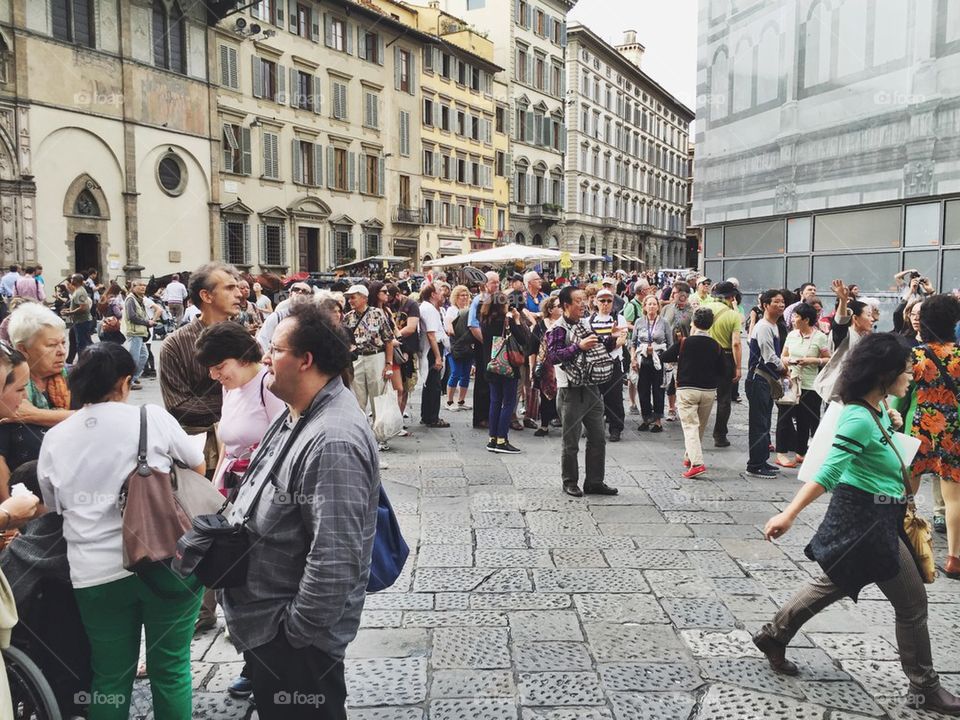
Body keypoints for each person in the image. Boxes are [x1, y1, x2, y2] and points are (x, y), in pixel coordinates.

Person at [755, 333, 960, 716]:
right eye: (904, 369)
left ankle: (774, 634)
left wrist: (891, 423)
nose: (911, 375)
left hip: (880, 514)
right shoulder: (857, 418)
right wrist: (789, 514)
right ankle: (925, 689)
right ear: (883, 375)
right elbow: (830, 471)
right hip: (867, 520)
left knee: (833, 581)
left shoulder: (877, 409)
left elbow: (876, 454)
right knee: (912, 604)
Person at [220, 302, 379, 720]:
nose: (264, 357)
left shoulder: (333, 440)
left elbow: (336, 557)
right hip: (270, 629)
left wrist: (293, 635)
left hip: (295, 645)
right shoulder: (297, 412)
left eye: (274, 348)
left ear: (305, 361)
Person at [38, 342, 206, 720]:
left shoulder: (56, 439)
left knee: (110, 676)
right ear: (126, 382)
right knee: (171, 668)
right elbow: (196, 467)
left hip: (94, 575)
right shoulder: (151, 418)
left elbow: (54, 507)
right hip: (166, 561)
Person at [159, 261, 243, 633]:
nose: (239, 291)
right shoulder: (177, 344)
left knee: (244, 524)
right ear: (206, 297)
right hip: (200, 450)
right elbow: (177, 404)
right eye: (229, 287)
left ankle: (239, 609)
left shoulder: (244, 338)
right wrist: (231, 408)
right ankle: (202, 610)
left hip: (242, 447)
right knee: (201, 526)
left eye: (238, 286)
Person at [899, 294, 960, 575]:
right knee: (954, 499)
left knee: (906, 491)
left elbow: (901, 394)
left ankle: (896, 542)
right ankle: (953, 558)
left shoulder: (916, 355)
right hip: (953, 431)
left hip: (920, 427)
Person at [546, 287, 617, 497]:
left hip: (592, 387)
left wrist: (611, 340)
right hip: (570, 390)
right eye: (578, 301)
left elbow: (597, 346)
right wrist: (578, 347)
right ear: (566, 305)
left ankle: (595, 481)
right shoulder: (557, 329)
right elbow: (553, 357)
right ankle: (570, 481)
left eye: (584, 300)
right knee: (571, 442)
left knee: (598, 438)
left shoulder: (585, 324)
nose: (583, 304)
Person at [3, 304, 73, 498]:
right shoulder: (8, 387)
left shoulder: (74, 377)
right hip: (22, 496)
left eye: (63, 343)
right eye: (51, 345)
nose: (61, 351)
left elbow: (99, 417)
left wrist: (35, 415)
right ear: (23, 349)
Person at [660, 307, 723, 478]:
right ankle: (690, 455)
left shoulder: (684, 343)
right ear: (711, 324)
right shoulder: (716, 345)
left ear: (693, 322)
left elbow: (665, 357)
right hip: (708, 390)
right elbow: (724, 370)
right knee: (699, 426)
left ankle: (697, 463)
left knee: (690, 426)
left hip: (687, 389)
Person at [775, 302, 830, 468]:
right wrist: (790, 360)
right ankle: (781, 453)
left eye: (796, 316)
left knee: (805, 420)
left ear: (806, 320)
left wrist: (812, 360)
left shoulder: (820, 337)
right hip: (790, 382)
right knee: (784, 418)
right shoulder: (791, 335)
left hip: (810, 384)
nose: (793, 319)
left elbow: (829, 359)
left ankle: (801, 452)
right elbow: (782, 356)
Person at [343, 284, 395, 445]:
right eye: (349, 297)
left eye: (353, 296)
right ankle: (360, 436)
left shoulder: (377, 313)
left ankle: (380, 437)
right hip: (357, 359)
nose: (350, 300)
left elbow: (388, 340)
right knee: (357, 399)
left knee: (377, 397)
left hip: (375, 357)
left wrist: (388, 363)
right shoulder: (348, 317)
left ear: (364, 298)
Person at [480, 288, 528, 454]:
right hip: (508, 367)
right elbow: (524, 339)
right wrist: (517, 320)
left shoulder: (484, 321)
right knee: (508, 403)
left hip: (491, 366)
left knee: (494, 402)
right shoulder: (507, 322)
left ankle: (492, 439)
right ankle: (502, 439)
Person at [745, 289, 787, 478]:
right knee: (759, 423)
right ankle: (754, 465)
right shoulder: (763, 326)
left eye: (782, 302)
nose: (781, 305)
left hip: (766, 380)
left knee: (764, 421)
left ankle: (762, 460)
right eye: (776, 302)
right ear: (765, 305)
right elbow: (769, 357)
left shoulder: (773, 325)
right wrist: (784, 367)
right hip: (758, 379)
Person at [697, 281, 742, 448]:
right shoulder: (733, 315)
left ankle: (697, 432)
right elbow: (736, 343)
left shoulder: (703, 308)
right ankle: (720, 435)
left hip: (704, 354)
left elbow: (694, 332)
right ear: (731, 297)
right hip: (725, 356)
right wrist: (738, 367)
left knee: (701, 394)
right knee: (724, 398)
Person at [590, 287, 628, 442]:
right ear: (596, 302)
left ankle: (615, 428)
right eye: (602, 300)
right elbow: (590, 341)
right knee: (593, 398)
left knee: (614, 398)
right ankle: (594, 427)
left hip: (613, 363)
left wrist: (605, 342)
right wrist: (610, 338)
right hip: (595, 364)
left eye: (609, 301)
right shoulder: (589, 320)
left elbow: (621, 341)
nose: (605, 304)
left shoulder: (620, 319)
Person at [630, 294, 669, 433]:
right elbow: (633, 342)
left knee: (658, 390)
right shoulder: (639, 322)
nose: (652, 306)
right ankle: (646, 418)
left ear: (658, 307)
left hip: (658, 359)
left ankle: (658, 421)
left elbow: (669, 344)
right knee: (643, 390)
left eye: (654, 304)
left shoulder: (664, 322)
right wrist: (633, 359)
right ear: (644, 307)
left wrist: (668, 361)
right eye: (649, 304)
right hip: (643, 359)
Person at [469, 272, 501, 429]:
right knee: (482, 380)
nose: (496, 285)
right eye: (493, 282)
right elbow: (473, 325)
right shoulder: (478, 300)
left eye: (498, 282)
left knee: (493, 381)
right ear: (485, 283)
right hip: (484, 346)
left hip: (496, 346)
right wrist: (487, 342)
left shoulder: (498, 300)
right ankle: (481, 417)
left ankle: (491, 415)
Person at [386, 283, 420, 420]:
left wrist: (392, 337)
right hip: (390, 349)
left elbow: (411, 327)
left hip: (406, 348)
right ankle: (392, 417)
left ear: (398, 295)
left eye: (392, 300)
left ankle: (398, 417)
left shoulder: (411, 304)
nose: (390, 303)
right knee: (395, 387)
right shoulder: (384, 306)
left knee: (404, 385)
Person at [418, 283, 449, 429]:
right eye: (439, 291)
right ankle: (432, 417)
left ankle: (427, 415)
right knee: (434, 385)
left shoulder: (428, 308)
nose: (442, 293)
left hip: (432, 348)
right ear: (432, 294)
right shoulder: (429, 309)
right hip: (432, 349)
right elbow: (431, 335)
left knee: (431, 383)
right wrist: (438, 357)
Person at [532, 295, 561, 437]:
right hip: (545, 365)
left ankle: (562, 419)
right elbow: (533, 348)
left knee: (563, 394)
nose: (562, 308)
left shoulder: (565, 323)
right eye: (558, 306)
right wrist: (533, 366)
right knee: (544, 395)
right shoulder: (540, 326)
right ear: (550, 309)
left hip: (562, 364)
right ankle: (544, 425)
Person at [622, 280, 650, 415]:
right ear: (641, 291)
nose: (650, 290)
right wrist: (640, 329)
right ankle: (633, 403)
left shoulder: (645, 304)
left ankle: (643, 400)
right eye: (648, 288)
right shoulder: (632, 305)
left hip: (645, 344)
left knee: (644, 372)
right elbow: (626, 324)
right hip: (633, 343)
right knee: (632, 373)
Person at [444, 285, 473, 411]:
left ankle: (461, 400)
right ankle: (449, 402)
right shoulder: (452, 310)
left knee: (465, 374)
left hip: (467, 346)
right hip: (455, 346)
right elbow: (449, 326)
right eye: (462, 295)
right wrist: (452, 331)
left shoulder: (469, 309)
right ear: (456, 297)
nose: (465, 297)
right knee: (455, 373)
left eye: (466, 295)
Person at [122, 278, 154, 390]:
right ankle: (128, 381)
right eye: (140, 285)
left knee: (144, 356)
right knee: (134, 358)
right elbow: (132, 316)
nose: (143, 287)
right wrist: (147, 322)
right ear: (133, 287)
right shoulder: (131, 299)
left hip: (139, 333)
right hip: (134, 332)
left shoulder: (138, 299)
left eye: (144, 285)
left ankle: (133, 378)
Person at [61, 273, 94, 362]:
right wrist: (69, 310)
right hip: (79, 321)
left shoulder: (79, 291)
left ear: (76, 281)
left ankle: (82, 362)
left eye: (72, 279)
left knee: (82, 344)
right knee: (82, 341)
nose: (70, 280)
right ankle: (72, 360)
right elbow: (78, 306)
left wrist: (70, 312)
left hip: (82, 321)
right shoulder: (78, 290)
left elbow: (83, 307)